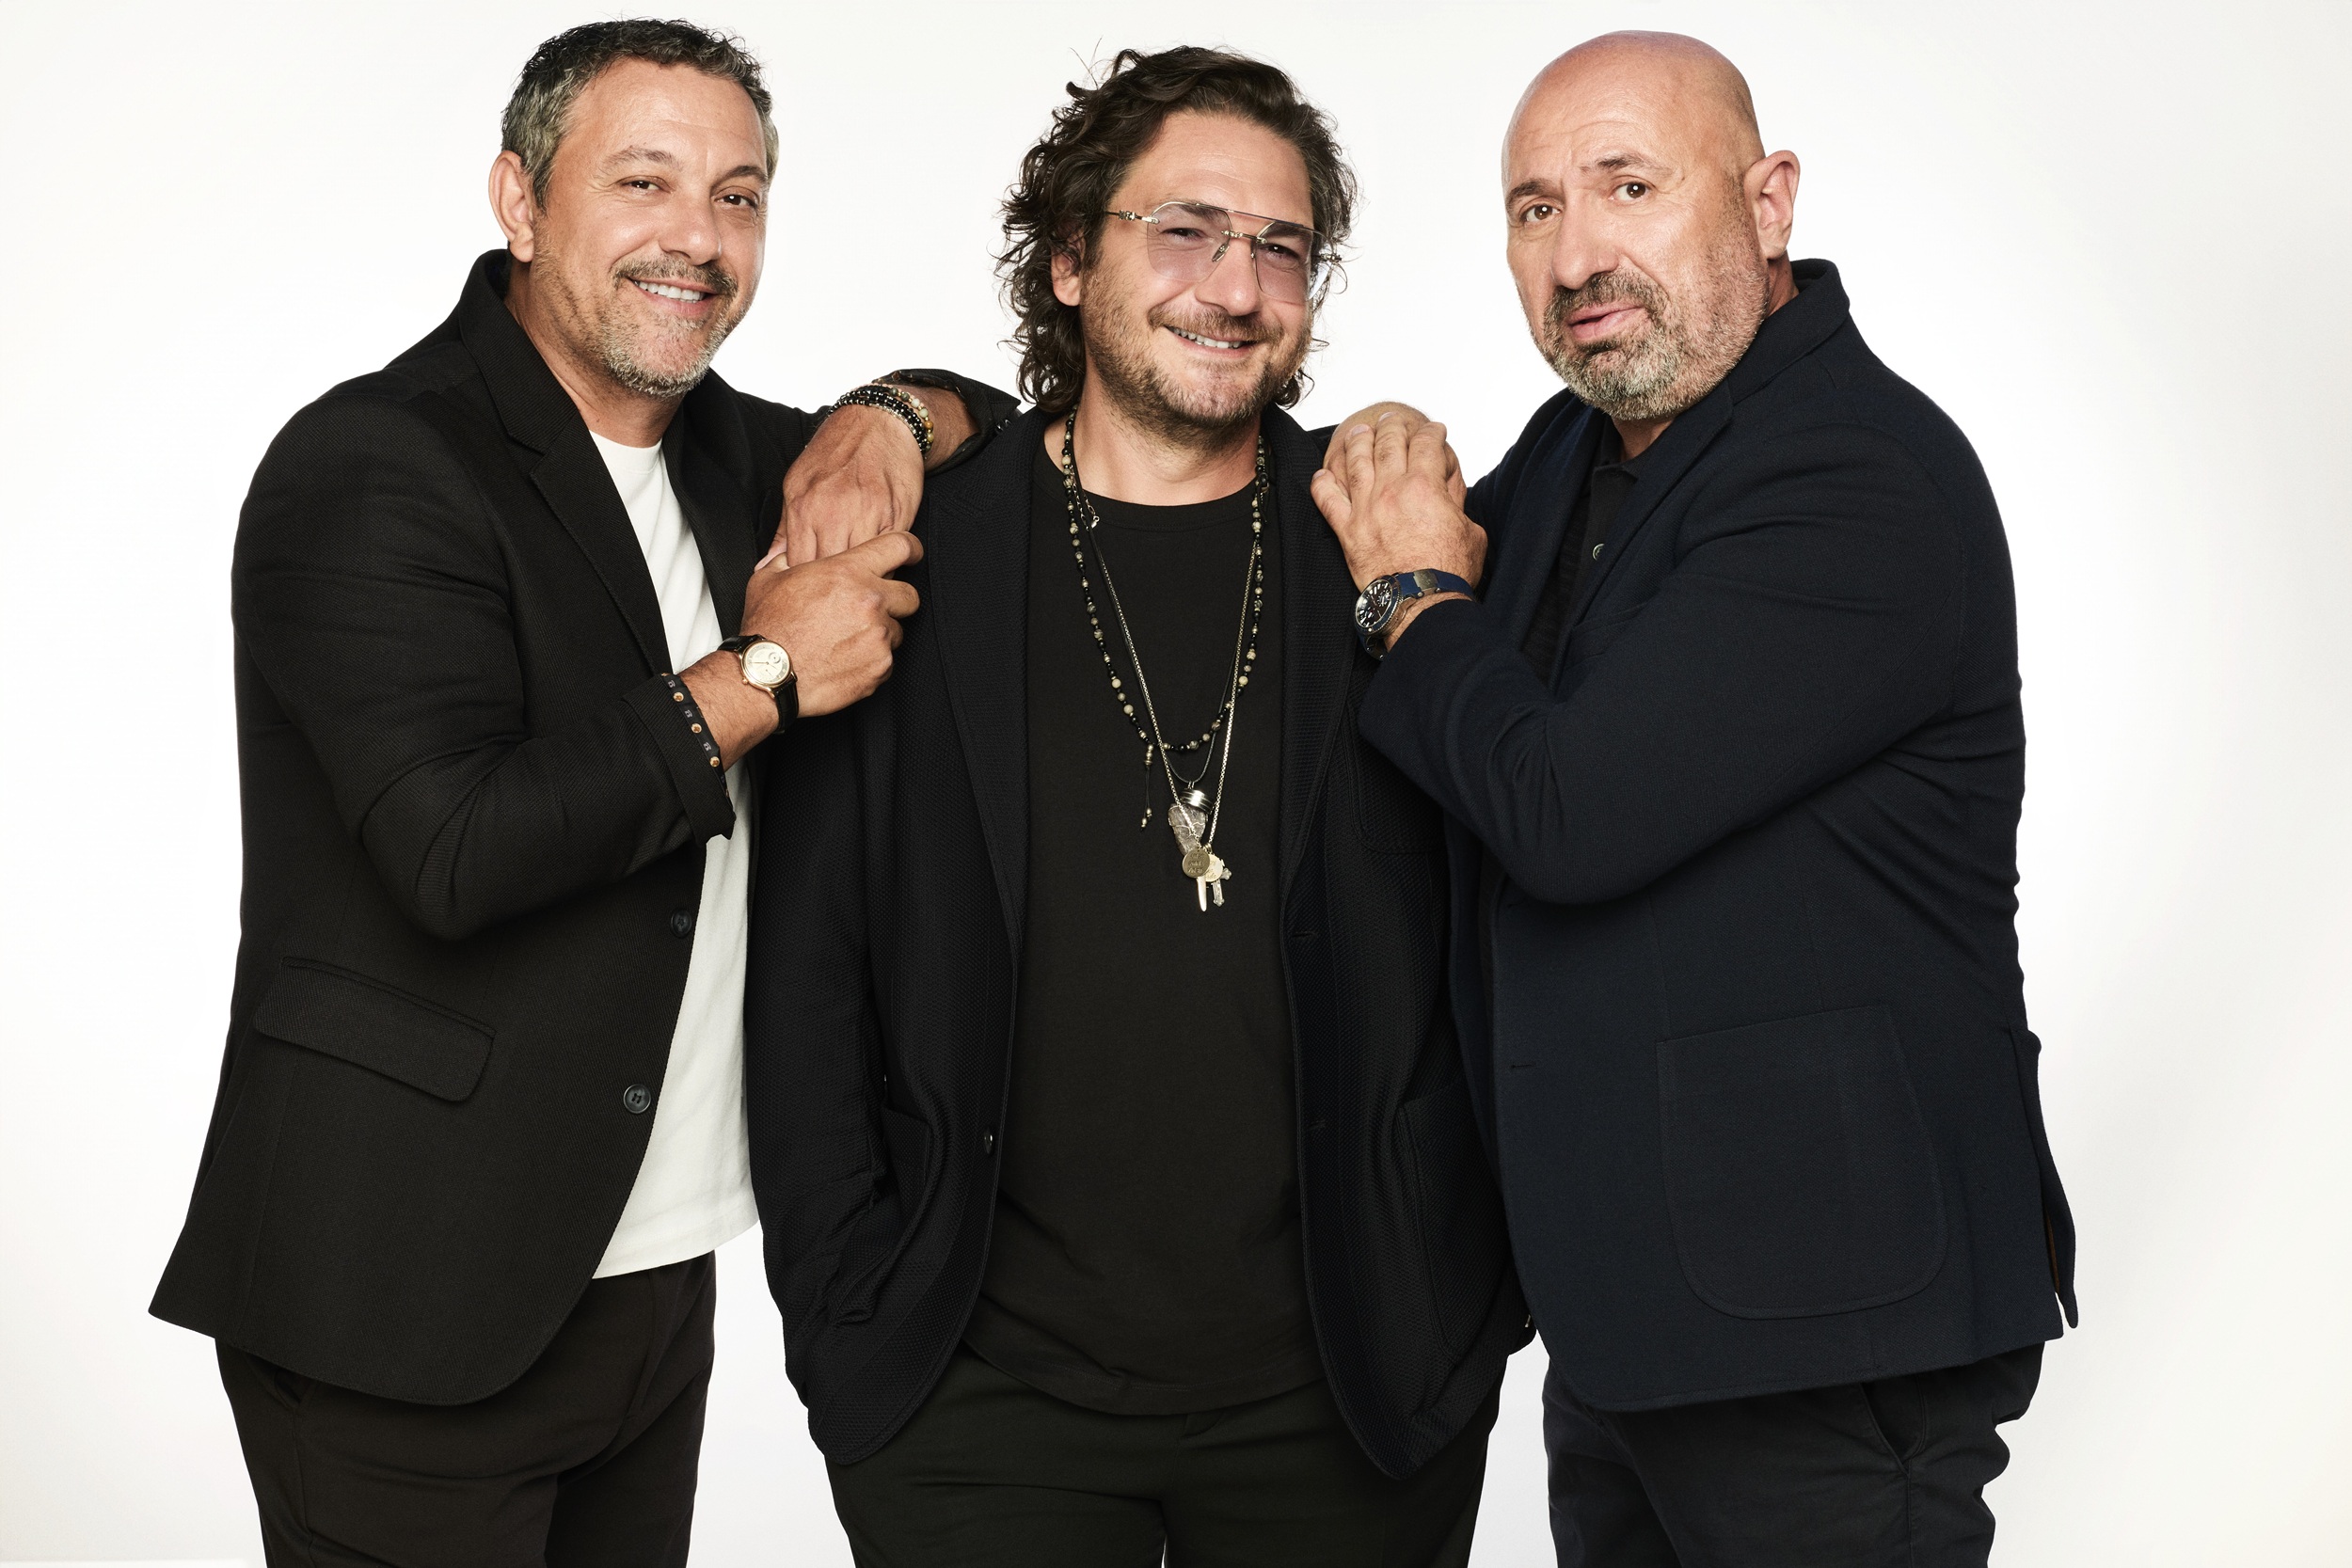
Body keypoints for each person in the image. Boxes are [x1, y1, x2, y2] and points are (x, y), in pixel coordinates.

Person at [148, 20, 1012, 1565]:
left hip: (652, 1275)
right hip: (404, 1291)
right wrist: (764, 671)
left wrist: (884, 419)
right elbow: (455, 847)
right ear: (521, 199)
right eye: (644, 182)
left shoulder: (742, 463)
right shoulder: (374, 463)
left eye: (739, 196)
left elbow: (987, 416)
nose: (700, 237)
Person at [743, 46, 1525, 1568]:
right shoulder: (909, 559)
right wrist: (848, 1324)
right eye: (1186, 231)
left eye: (1282, 247)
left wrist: (1462, 1308)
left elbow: (1491, 923)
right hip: (974, 1400)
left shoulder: (1392, 549)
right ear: (1068, 259)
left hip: (1354, 1395)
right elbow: (810, 971)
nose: (1236, 287)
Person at [1311, 31, 2076, 1568]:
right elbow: (1418, 641)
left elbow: (1563, 806)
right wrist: (919, 412)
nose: (1577, 254)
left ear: (1768, 201)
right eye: (1535, 209)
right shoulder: (1582, 451)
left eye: (1630, 187)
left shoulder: (1858, 478)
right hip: (1635, 1315)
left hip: (1826, 1332)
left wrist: (1408, 588)